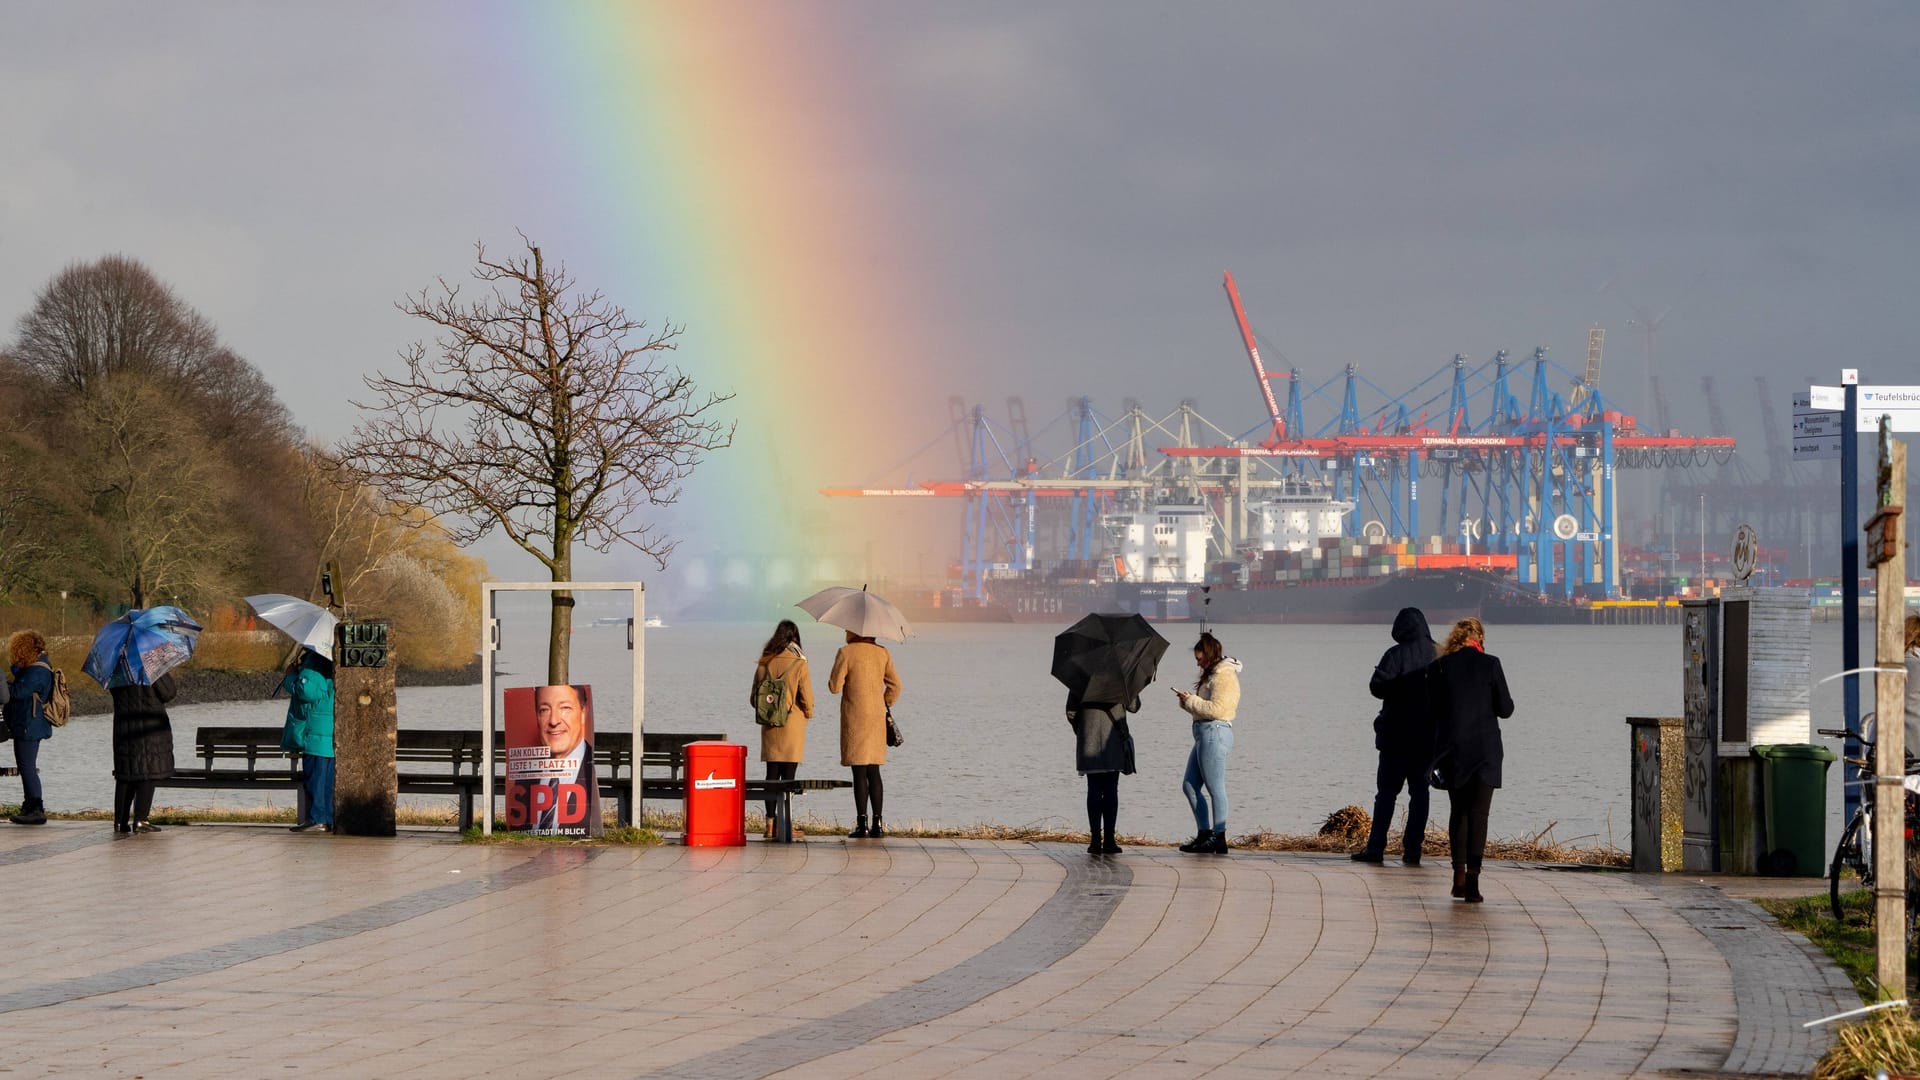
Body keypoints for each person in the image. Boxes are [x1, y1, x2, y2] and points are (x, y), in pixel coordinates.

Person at [1429, 617, 1515, 904]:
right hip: (1485, 751)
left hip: (1453, 752)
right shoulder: (1491, 664)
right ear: (1479, 639)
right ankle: (1474, 883)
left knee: (1459, 813)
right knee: (1479, 815)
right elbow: (1506, 709)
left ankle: (1458, 876)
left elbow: (1432, 711)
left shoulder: (1439, 667)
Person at [1354, 607, 1438, 866]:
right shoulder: (1441, 653)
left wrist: (1398, 688)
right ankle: (1413, 851)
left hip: (1395, 739)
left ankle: (1375, 849)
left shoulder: (1395, 654)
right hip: (1427, 739)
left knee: (1386, 795)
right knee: (1420, 794)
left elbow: (1376, 688)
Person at [828, 630, 901, 839]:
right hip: (876, 717)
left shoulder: (846, 652)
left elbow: (834, 687)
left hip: (855, 717)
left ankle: (862, 824)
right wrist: (884, 702)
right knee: (874, 771)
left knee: (859, 771)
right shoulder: (882, 653)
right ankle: (878, 824)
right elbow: (896, 685)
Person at [1173, 631, 1239, 855]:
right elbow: (1203, 706)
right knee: (1189, 785)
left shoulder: (1224, 676)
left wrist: (1192, 700)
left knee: (1215, 787)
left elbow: (1218, 709)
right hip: (1203, 733)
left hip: (1215, 732)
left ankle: (1219, 836)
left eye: (1200, 658)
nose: (1197, 663)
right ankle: (1204, 834)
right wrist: (1188, 701)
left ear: (1210, 655)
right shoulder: (1211, 676)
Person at [753, 620, 814, 839]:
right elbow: (807, 698)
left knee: (771, 776)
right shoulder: (799, 662)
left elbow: (754, 698)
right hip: (792, 725)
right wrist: (808, 712)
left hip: (770, 726)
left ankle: (770, 825)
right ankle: (785, 825)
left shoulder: (765, 661)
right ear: (795, 637)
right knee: (788, 777)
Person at [1068, 690, 1138, 856]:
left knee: (1093, 789)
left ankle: (1094, 840)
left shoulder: (1082, 677)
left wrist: (1083, 729)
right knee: (1111, 790)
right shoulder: (1122, 679)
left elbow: (1071, 712)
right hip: (1113, 740)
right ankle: (1109, 840)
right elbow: (1134, 707)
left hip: (1088, 741)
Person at [528, 683, 599, 834]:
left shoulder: (591, 770)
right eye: (544, 710)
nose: (554, 721)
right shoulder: (524, 776)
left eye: (565, 708)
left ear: (583, 712)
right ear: (537, 717)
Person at [111, 672, 177, 834]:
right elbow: (168, 692)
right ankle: (141, 819)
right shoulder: (150, 666)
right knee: (148, 770)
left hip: (125, 725)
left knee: (125, 773)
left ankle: (120, 821)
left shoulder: (117, 667)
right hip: (149, 726)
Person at [280, 648, 336, 833]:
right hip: (327, 732)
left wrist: (290, 677)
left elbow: (306, 692)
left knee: (315, 779)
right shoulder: (331, 663)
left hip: (315, 732)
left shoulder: (315, 664)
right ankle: (327, 818)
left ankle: (317, 818)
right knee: (326, 781)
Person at [5, 630, 50, 826]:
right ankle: (30, 805)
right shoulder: (39, 667)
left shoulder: (37, 671)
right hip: (30, 723)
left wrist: (2, 684)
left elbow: (18, 692)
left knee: (27, 767)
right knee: (26, 766)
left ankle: (36, 808)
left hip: (29, 724)